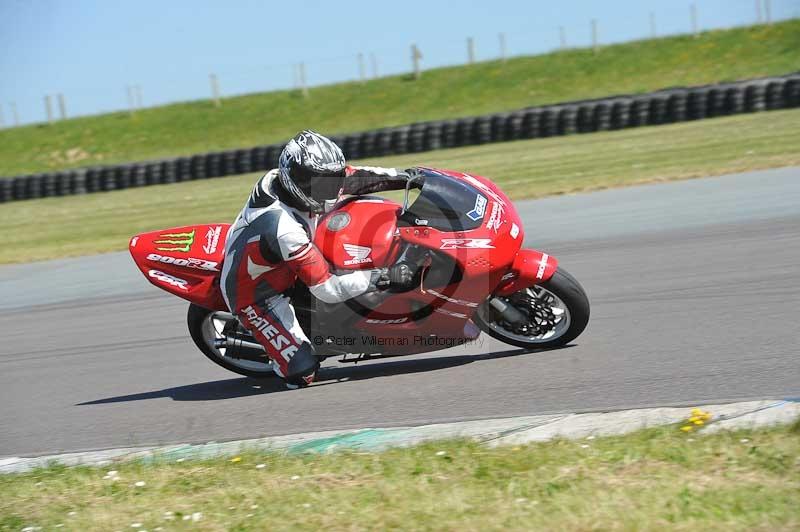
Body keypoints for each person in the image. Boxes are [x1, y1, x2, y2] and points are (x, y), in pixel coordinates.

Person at [220, 130, 418, 388]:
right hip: (258, 293)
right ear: (295, 178)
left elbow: (355, 177)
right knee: (303, 373)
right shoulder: (284, 228)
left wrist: (408, 177)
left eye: (330, 180)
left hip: (283, 257)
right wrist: (386, 276)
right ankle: (283, 355)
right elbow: (328, 290)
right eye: (319, 182)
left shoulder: (295, 179)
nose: (330, 189)